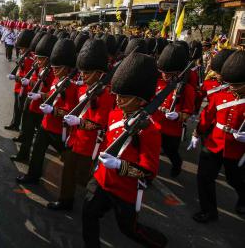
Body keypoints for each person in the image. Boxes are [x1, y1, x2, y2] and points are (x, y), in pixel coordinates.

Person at [82, 52, 167, 248]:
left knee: (129, 229)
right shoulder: (114, 115)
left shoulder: (150, 130)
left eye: (125, 96)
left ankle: (160, 243)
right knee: (89, 212)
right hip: (102, 179)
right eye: (118, 94)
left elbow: (148, 172)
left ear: (141, 100)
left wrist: (120, 165)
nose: (118, 99)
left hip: (124, 187)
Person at [49, 39, 114, 210]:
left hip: (90, 145)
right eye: (83, 71)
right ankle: (65, 200)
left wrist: (79, 122)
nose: (83, 75)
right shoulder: (83, 88)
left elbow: (100, 123)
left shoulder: (105, 94)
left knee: (85, 178)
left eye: (88, 72)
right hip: (75, 139)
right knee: (68, 172)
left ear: (99, 73)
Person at [192, 50, 245, 222]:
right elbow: (208, 116)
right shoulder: (220, 94)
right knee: (204, 177)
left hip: (238, 149)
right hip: (214, 142)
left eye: (237, 85)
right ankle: (208, 211)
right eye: (230, 83)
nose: (232, 87)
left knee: (235, 179)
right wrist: (197, 132)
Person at [16, 37, 78, 183]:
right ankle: (33, 175)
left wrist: (54, 111)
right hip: (46, 123)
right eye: (54, 67)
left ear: (67, 67)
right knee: (37, 151)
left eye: (58, 68)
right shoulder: (58, 79)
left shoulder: (72, 85)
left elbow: (70, 111)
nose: (54, 70)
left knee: (67, 155)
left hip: (58, 129)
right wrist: (40, 95)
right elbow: (51, 95)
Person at [11, 32, 57, 162]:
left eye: (40, 58)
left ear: (48, 58)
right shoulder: (41, 67)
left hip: (40, 108)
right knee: (27, 133)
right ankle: (22, 155)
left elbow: (53, 93)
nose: (37, 60)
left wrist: (40, 95)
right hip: (31, 104)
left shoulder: (53, 72)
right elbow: (34, 80)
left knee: (38, 142)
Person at [152, 43, 195, 177]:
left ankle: (177, 164)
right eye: (163, 72)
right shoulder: (157, 83)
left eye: (169, 73)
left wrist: (178, 115)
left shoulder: (187, 89)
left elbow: (187, 113)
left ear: (178, 72)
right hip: (154, 125)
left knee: (171, 152)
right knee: (151, 152)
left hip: (171, 129)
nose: (164, 75)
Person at [5, 29, 35, 131]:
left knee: (24, 111)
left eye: (22, 48)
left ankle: (24, 129)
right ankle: (14, 124)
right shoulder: (24, 55)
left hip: (25, 88)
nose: (20, 50)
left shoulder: (31, 59)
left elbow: (28, 76)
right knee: (16, 108)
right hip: (18, 86)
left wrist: (16, 77)